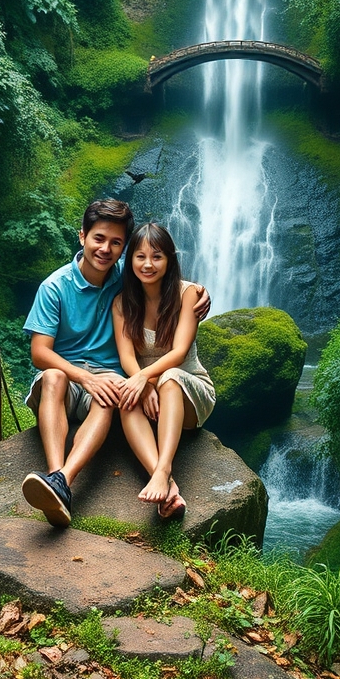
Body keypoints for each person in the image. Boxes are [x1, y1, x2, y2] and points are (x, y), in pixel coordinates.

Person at [22, 200, 208, 527]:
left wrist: (201, 294)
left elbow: (159, 269)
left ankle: (64, 481)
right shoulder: (55, 286)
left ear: (123, 249)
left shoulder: (127, 277)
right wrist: (85, 377)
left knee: (111, 391)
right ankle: (57, 478)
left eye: (116, 243)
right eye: (98, 238)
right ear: (82, 237)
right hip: (67, 380)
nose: (105, 249)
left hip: (113, 379)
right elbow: (39, 352)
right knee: (52, 376)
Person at [112, 223, 216, 520]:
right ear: (130, 260)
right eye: (140, 256)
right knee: (126, 396)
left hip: (189, 391)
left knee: (170, 379)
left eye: (157, 256)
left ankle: (163, 469)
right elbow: (127, 356)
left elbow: (179, 352)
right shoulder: (122, 304)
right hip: (151, 395)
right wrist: (141, 384)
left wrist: (146, 378)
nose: (148, 264)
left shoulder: (189, 294)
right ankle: (167, 487)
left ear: (169, 259)